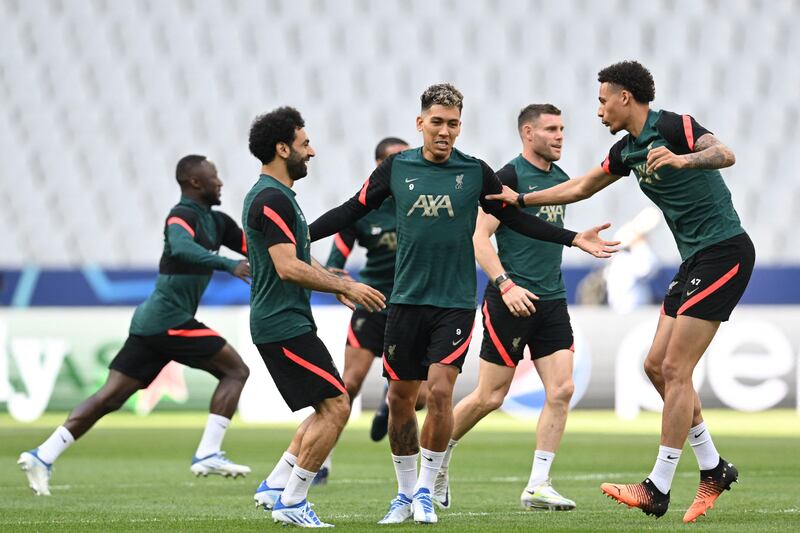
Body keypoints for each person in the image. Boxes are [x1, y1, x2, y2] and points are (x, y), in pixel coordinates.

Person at [308, 83, 617, 524]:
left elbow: (514, 218)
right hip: (406, 301)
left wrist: (573, 238)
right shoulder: (397, 168)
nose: (445, 131)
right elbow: (350, 210)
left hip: (454, 303)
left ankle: (427, 493)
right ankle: (405, 494)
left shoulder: (475, 172)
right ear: (420, 123)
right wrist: (301, 235)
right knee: (399, 399)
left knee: (439, 393)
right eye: (437, 122)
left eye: (453, 124)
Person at [488, 61, 755, 523]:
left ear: (624, 98)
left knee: (675, 367)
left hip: (724, 251)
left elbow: (725, 154)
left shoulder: (674, 126)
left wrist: (681, 158)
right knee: (655, 366)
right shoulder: (627, 151)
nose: (598, 110)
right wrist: (521, 199)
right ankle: (713, 467)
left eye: (601, 100)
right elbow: (580, 188)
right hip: (694, 259)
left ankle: (658, 486)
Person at [18, 155, 254, 496]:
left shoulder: (219, 223)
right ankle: (208, 452)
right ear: (194, 182)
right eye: (213, 175)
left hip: (153, 323)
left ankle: (43, 454)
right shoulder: (181, 216)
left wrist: (308, 267)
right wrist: (227, 263)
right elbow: (182, 247)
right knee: (236, 371)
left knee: (109, 397)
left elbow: (261, 251)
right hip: (169, 319)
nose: (220, 181)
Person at [244, 107, 386, 527]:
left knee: (328, 405)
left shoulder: (281, 197)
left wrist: (331, 276)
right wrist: (346, 286)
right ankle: (292, 501)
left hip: (288, 320)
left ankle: (275, 487)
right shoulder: (270, 198)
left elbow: (293, 263)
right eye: (305, 144)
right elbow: (287, 267)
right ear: (282, 148)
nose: (313, 152)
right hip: (280, 322)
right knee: (337, 407)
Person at [435, 104, 578, 512]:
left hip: (552, 299)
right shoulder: (507, 178)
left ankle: (538, 485)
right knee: (489, 396)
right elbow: (480, 238)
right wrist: (505, 283)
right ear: (527, 133)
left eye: (563, 128)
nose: (560, 136)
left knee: (562, 390)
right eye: (551, 129)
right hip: (510, 301)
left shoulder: (561, 181)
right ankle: (436, 460)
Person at [316, 137, 428, 485]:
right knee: (347, 384)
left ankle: (386, 403)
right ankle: (321, 460)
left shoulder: (423, 203)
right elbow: (337, 257)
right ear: (380, 165)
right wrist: (336, 279)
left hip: (413, 305)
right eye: (395, 159)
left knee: (421, 397)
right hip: (373, 304)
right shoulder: (363, 209)